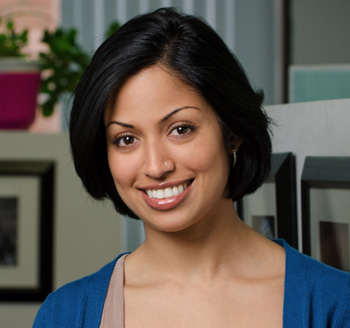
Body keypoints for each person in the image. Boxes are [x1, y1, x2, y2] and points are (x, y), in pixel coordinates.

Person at [33, 7, 350, 328]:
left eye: (180, 129)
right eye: (126, 138)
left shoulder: (334, 306)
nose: (156, 166)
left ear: (233, 132)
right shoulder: (65, 315)